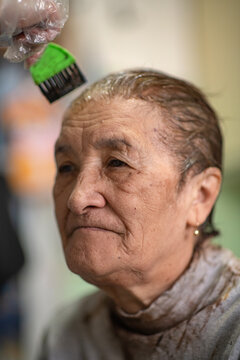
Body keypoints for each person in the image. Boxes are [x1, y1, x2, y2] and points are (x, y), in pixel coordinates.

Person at [35, 69, 240, 360]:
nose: (77, 198)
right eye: (66, 167)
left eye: (117, 163)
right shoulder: (65, 335)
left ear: (200, 196)